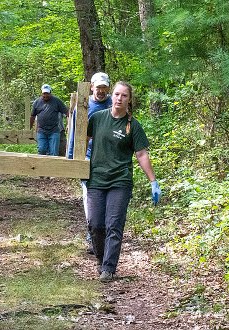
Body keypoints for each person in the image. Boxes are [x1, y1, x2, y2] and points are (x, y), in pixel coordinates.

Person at [86, 81, 161, 282]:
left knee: (114, 224)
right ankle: (102, 262)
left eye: (124, 96)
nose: (119, 98)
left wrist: (153, 181)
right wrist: (79, 162)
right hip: (96, 179)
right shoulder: (97, 118)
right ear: (112, 96)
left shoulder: (133, 126)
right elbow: (82, 139)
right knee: (95, 224)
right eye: (117, 94)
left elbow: (142, 153)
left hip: (120, 181)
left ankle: (109, 269)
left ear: (129, 100)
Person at [67, 72, 113, 254]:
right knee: (89, 196)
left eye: (104, 87)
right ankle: (92, 234)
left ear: (108, 88)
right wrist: (72, 158)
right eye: (98, 87)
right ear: (91, 87)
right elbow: (75, 133)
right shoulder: (84, 106)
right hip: (88, 156)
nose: (101, 91)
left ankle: (106, 233)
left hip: (110, 157)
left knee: (108, 195)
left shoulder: (114, 103)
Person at [30, 84, 68, 156]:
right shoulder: (37, 102)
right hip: (41, 131)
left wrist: (69, 124)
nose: (46, 95)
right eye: (44, 93)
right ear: (41, 93)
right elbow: (32, 116)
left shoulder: (57, 101)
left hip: (54, 131)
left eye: (47, 93)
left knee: (53, 152)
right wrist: (29, 127)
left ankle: (53, 167)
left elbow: (67, 112)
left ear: (50, 93)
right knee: (41, 150)